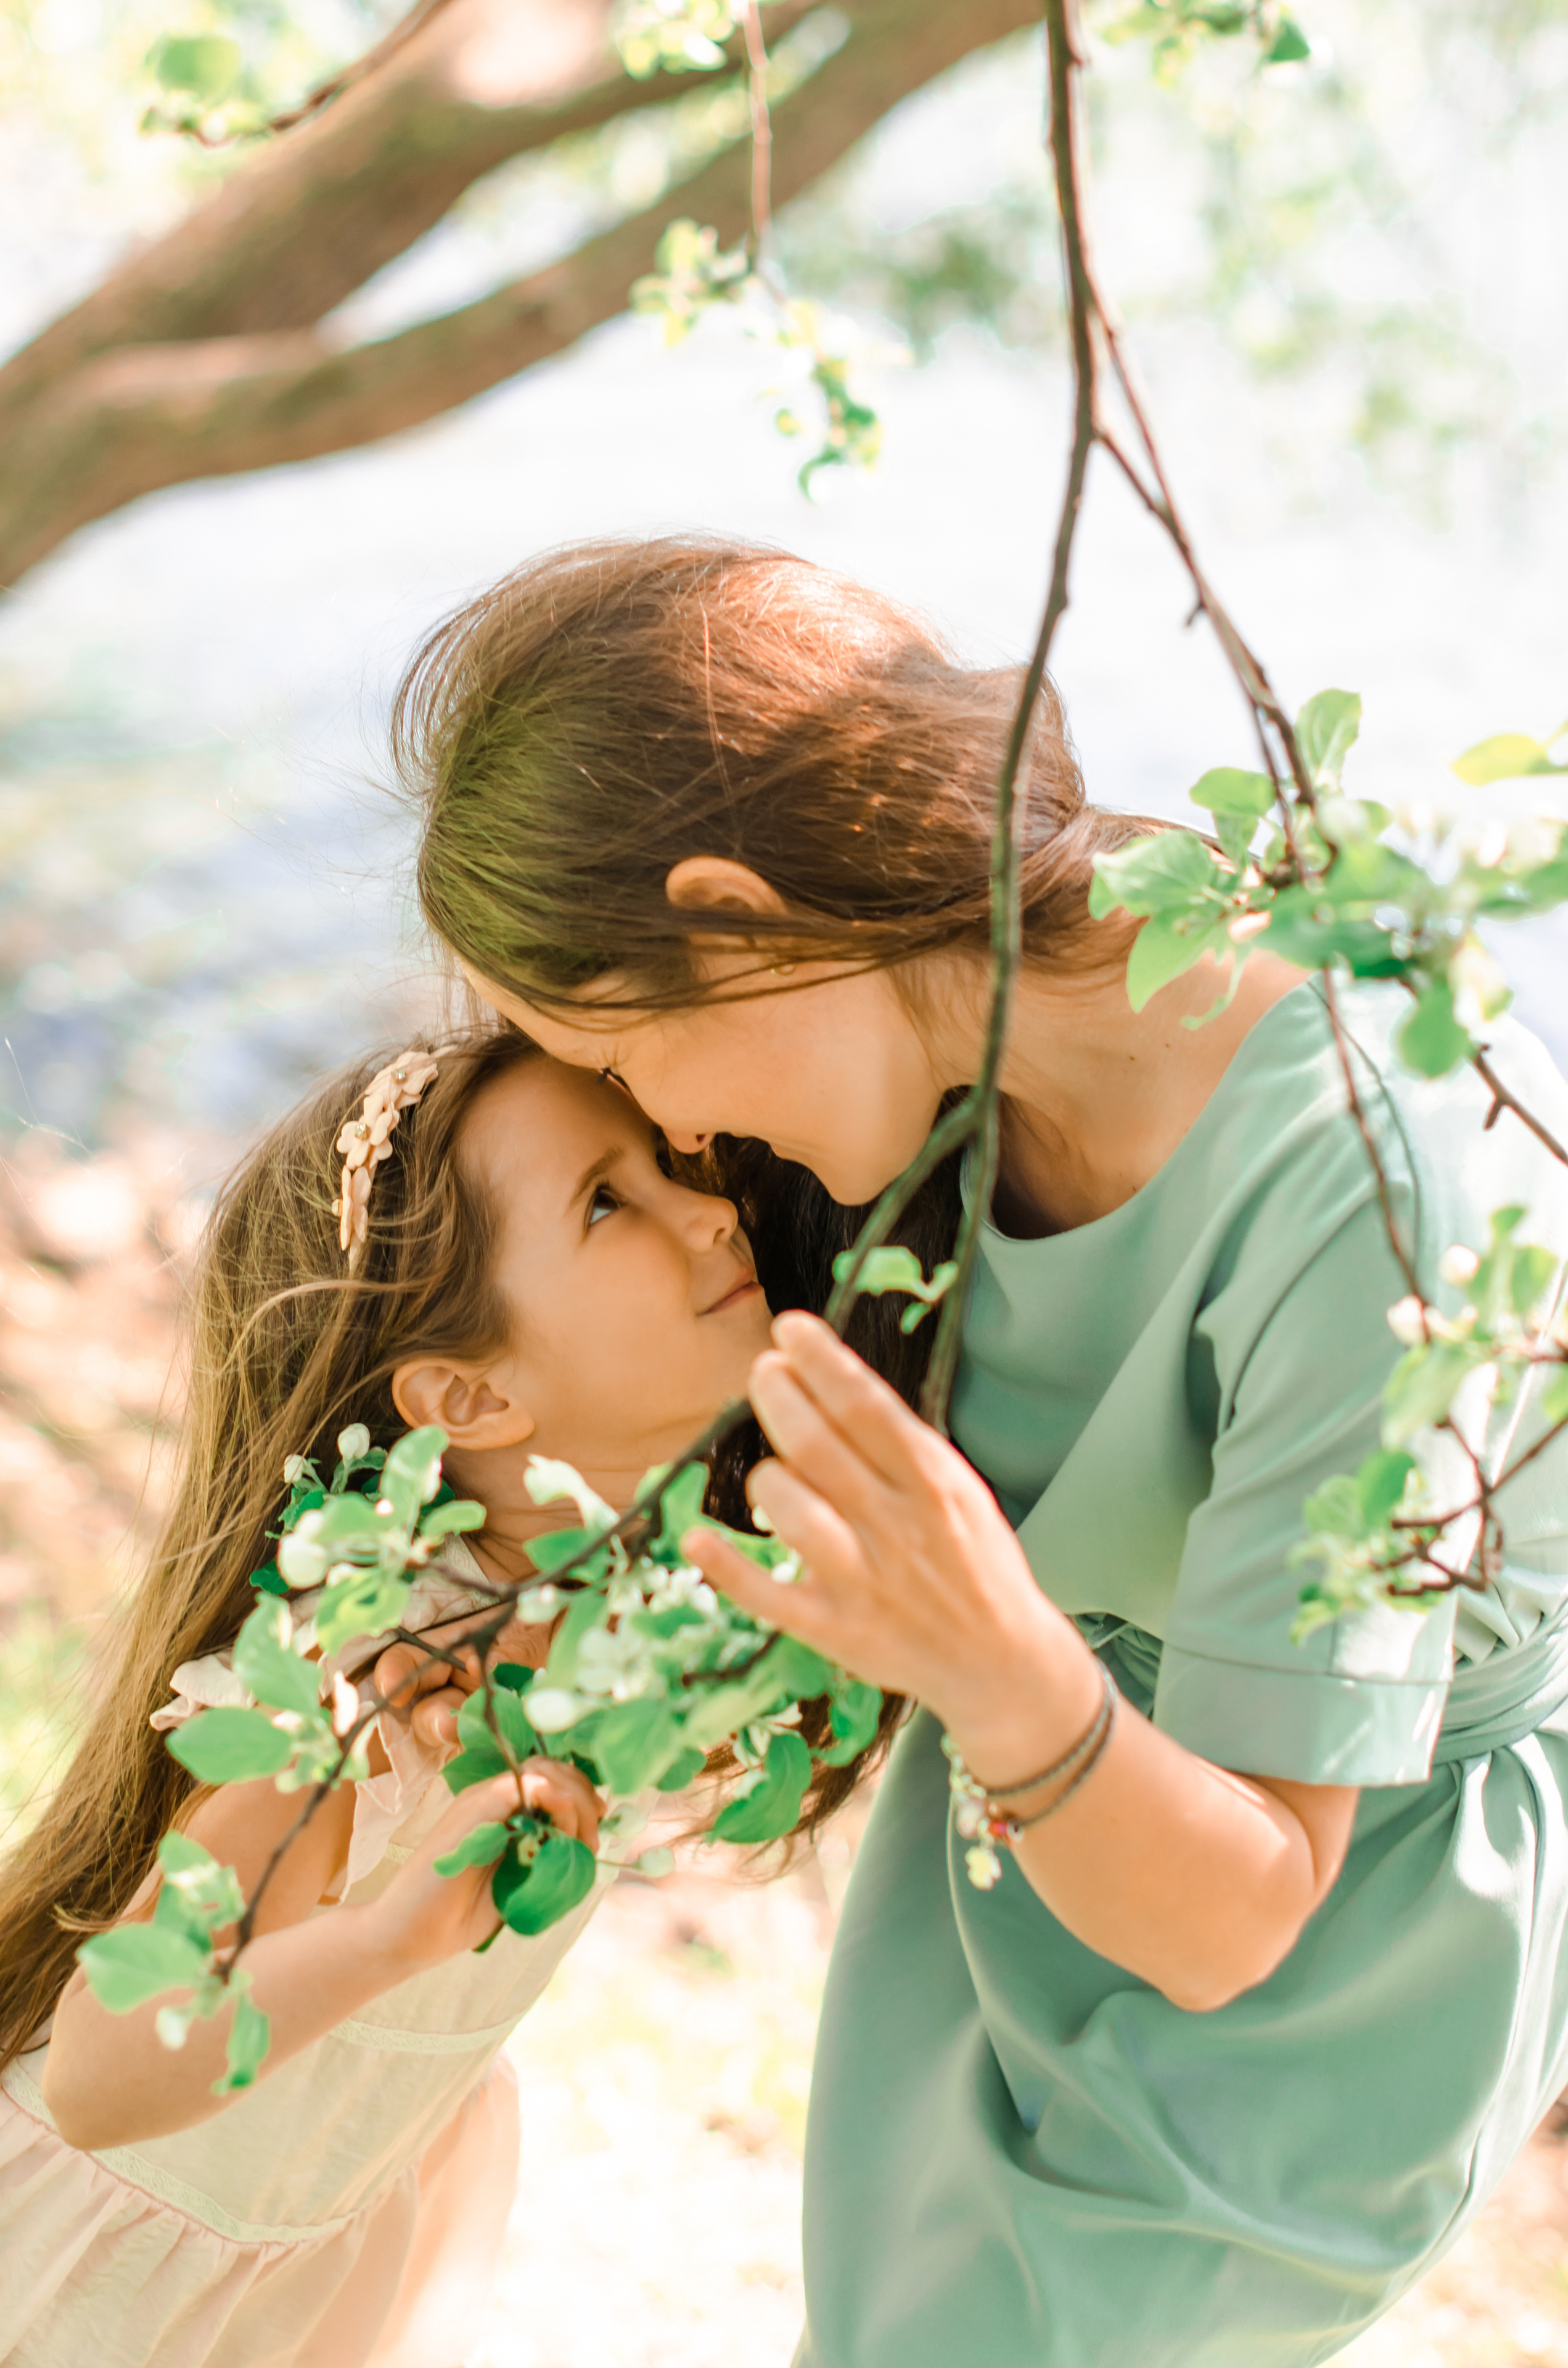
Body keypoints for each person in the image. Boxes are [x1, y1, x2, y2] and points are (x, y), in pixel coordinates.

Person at [401, 533, 1568, 2367]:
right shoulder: (943, 1073)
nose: (673, 1131)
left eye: (630, 1062)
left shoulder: (1359, 1164)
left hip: (1318, 1947)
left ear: (738, 919)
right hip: (1016, 1829)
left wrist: (997, 1674)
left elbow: (1245, 1912)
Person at [0, 1026, 789, 2368]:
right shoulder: (368, 1682)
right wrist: (385, 1948)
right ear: (470, 1396)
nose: (714, 1208)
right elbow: (101, 2075)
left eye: (664, 1166)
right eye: (612, 1201)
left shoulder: (659, 1595)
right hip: (115, 2283)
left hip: (325, 2215)